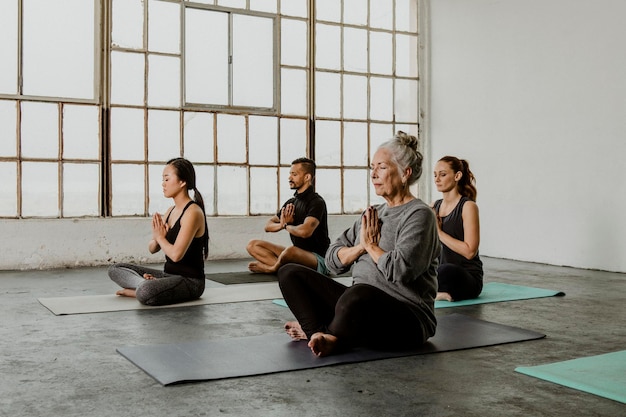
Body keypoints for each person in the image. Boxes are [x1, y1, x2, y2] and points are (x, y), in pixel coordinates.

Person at [278, 132, 440, 357]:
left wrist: (372, 246)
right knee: (290, 273)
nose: (373, 174)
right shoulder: (373, 213)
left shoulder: (420, 215)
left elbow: (399, 270)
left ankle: (331, 336)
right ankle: (318, 333)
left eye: (381, 167)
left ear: (405, 174)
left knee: (359, 294)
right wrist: (361, 247)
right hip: (357, 309)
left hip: (407, 318)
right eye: (372, 167)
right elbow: (333, 260)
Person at [108, 157, 209, 306]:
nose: (163, 184)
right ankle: (145, 284)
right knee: (115, 269)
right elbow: (152, 248)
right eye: (163, 180)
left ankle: (141, 288)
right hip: (167, 276)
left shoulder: (192, 212)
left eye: (167, 179)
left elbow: (175, 255)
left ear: (182, 182)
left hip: (190, 281)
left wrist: (161, 238)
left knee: (145, 292)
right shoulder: (170, 211)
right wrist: (157, 237)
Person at [246, 157, 330, 275]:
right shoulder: (291, 202)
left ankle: (272, 268)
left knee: (290, 251)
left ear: (307, 177)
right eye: (290, 174)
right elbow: (268, 226)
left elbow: (305, 231)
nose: (289, 178)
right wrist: (282, 224)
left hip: (318, 258)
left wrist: (286, 226)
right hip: (297, 254)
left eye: (294, 174)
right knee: (253, 245)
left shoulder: (316, 202)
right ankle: (285, 268)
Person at [432, 156, 483, 302]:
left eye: (442, 174)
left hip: (465, 276)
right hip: (439, 273)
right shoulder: (433, 207)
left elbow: (470, 252)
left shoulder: (468, 207)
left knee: (446, 270)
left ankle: (436, 292)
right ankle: (440, 293)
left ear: (457, 176)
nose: (437, 179)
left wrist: (439, 233)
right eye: (435, 175)